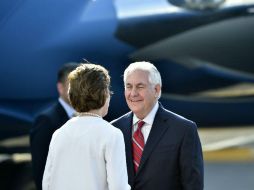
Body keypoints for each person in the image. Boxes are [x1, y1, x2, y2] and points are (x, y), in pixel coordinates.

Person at [111, 61, 204, 190]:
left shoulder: (183, 130)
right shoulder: (114, 129)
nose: (133, 93)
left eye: (140, 86)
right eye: (129, 86)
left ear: (156, 90)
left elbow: (193, 185)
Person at [42, 63, 130, 190]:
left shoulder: (58, 134)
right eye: (108, 90)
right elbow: (118, 187)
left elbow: (47, 184)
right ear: (104, 94)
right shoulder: (112, 134)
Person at [30, 62, 79, 190]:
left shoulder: (94, 117)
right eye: (72, 85)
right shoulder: (46, 121)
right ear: (60, 88)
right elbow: (40, 170)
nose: (78, 90)